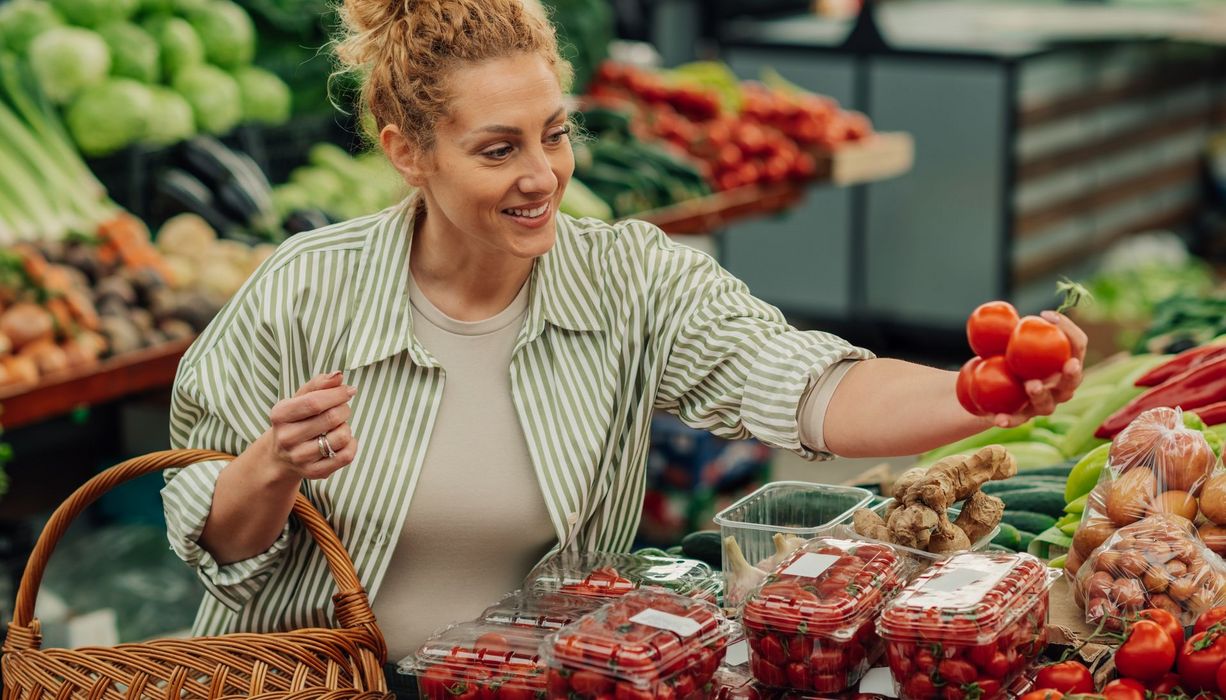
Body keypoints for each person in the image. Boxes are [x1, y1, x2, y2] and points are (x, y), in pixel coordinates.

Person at [161, 0, 1086, 679]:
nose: (542, 176)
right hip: (301, 683)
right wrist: (273, 467)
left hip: (529, 681)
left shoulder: (628, 278)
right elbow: (213, 542)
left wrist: (978, 391)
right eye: (499, 149)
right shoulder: (307, 290)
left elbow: (807, 387)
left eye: (554, 135)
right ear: (408, 152)